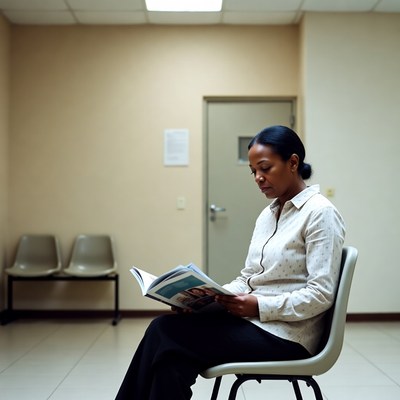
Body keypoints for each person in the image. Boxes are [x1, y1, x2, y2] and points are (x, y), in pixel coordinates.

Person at [115, 125, 345, 400]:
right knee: (170, 352)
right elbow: (249, 277)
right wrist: (209, 300)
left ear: (293, 162)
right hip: (255, 323)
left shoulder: (320, 214)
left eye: (265, 168)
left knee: (167, 334)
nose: (258, 178)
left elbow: (320, 295)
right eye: (253, 172)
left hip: (289, 336)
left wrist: (257, 305)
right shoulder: (268, 215)